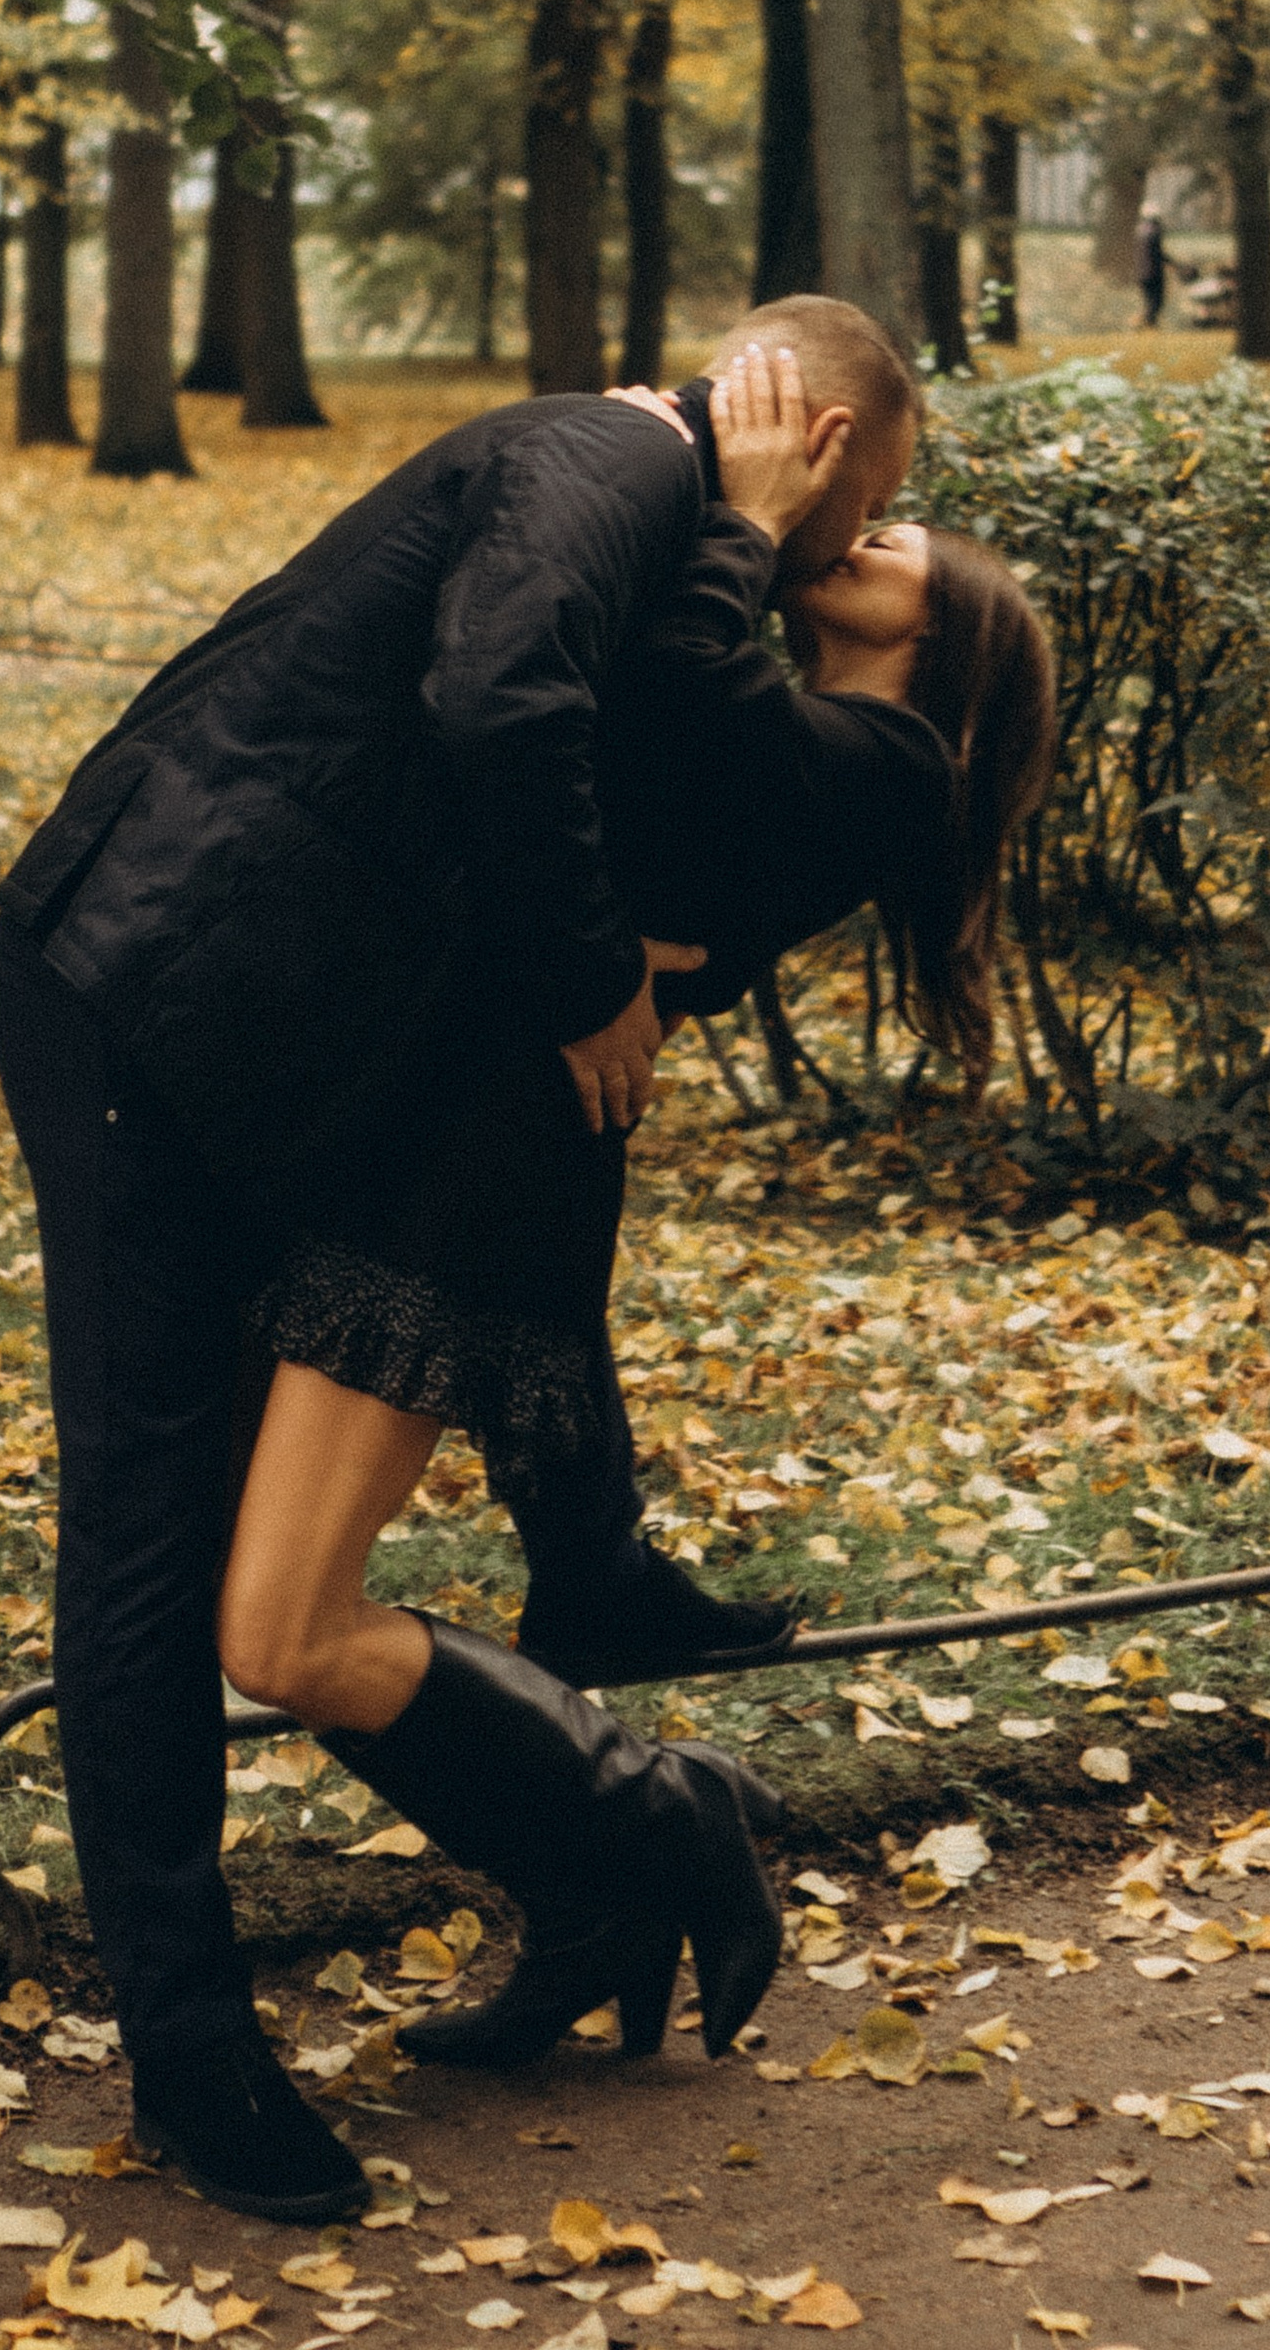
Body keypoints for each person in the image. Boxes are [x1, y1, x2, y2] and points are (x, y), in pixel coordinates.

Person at [0, 297, 918, 2224]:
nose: (869, 540)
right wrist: (594, 981)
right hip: (155, 998)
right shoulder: (613, 461)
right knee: (150, 1548)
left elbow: (670, 819)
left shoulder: (677, 535)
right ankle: (191, 2057)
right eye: (879, 498)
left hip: (281, 1056)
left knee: (243, 1576)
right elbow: (501, 698)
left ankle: (600, 1858)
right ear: (822, 439)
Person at [217, 345, 1056, 2078]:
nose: (876, 530)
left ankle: (647, 1819)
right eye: (874, 507)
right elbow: (640, 765)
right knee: (275, 1617)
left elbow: (677, 695)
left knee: (283, 1629)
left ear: (946, 642)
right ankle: (591, 1881)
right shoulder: (817, 730)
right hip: (453, 1126)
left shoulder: (888, 759)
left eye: (903, 542)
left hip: (481, 1176)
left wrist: (736, 521)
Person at [1134, 203, 1170, 327]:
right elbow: (1158, 254)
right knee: (1156, 303)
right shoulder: (1155, 231)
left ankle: (1149, 325)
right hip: (1153, 273)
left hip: (1140, 273)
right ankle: (1142, 322)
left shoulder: (1140, 231)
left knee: (1149, 302)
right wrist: (1175, 264)